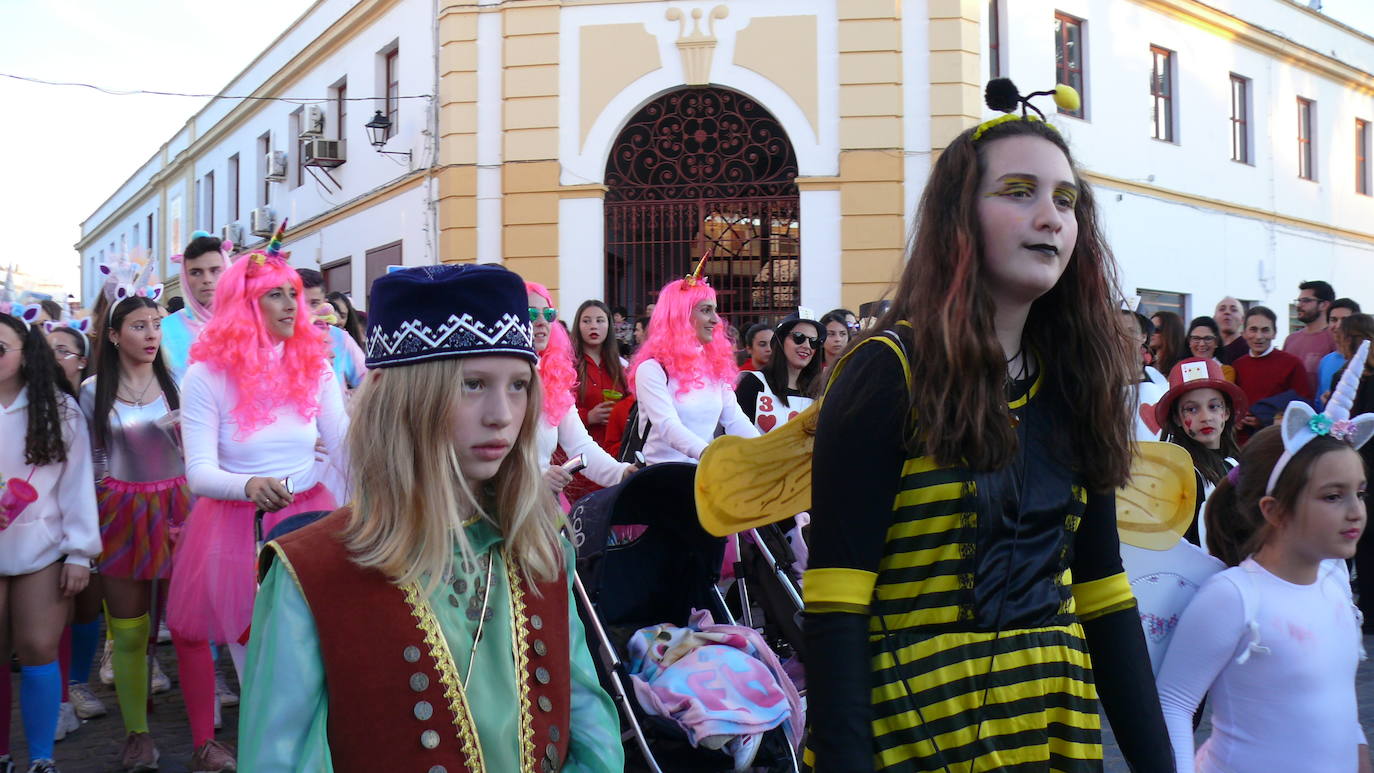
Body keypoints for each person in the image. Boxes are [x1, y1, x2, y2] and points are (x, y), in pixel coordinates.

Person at [802, 79, 1170, 771]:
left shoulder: (1075, 382)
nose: (1052, 216)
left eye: (1066, 200)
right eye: (1018, 191)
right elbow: (834, 602)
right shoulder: (886, 372)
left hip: (1053, 733)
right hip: (910, 737)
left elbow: (1104, 593)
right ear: (958, 218)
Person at [239, 263, 623, 771]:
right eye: (472, 384)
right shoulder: (309, 575)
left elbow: (588, 720)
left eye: (518, 385)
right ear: (407, 398)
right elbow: (282, 759)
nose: (502, 414)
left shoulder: (540, 541)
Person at [165, 226, 347, 772]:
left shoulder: (314, 364)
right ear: (245, 303)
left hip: (309, 520)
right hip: (235, 532)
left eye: (294, 292)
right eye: (277, 293)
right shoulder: (205, 375)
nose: (293, 304)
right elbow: (198, 472)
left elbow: (344, 445)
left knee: (321, 664)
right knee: (262, 674)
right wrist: (247, 486)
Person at [1158, 377, 1372, 772]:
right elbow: (1174, 701)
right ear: (1274, 509)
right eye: (1332, 496)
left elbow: (1335, 693)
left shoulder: (1334, 584)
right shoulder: (1234, 596)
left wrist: (1358, 747)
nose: (1356, 511)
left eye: (1359, 492)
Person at [79, 295, 193, 771]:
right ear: (113, 335)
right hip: (120, 512)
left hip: (179, 510)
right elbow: (89, 458)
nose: (150, 334)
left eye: (156, 325)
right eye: (139, 326)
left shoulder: (178, 385)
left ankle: (204, 734)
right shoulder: (91, 390)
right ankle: (137, 734)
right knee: (128, 632)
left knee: (187, 627)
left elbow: (199, 449)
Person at [0, 310, 100, 773]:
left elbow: (77, 485)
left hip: (42, 547)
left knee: (39, 644)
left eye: (0, 349)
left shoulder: (59, 410)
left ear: (24, 354)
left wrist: (81, 552)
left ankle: (41, 757)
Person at [629, 266, 759, 465]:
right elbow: (667, 425)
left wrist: (765, 451)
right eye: (706, 310)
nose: (716, 320)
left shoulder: (714, 367)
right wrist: (709, 454)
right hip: (661, 478)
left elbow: (735, 421)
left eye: (715, 310)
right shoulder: (651, 369)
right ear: (681, 315)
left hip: (703, 475)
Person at [526, 282, 633, 499]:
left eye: (548, 314)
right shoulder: (494, 382)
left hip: (540, 509)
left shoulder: (552, 377)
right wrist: (533, 480)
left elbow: (579, 444)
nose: (541, 323)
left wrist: (623, 472)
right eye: (530, 314)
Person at [1154, 358, 1246, 547]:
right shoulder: (1180, 476)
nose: (1205, 417)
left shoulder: (1236, 464)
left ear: (1227, 412)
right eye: (1192, 409)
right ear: (1177, 418)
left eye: (1213, 406)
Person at [1233, 306, 1310, 442]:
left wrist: (1265, 419)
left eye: (1265, 330)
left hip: (1277, 440)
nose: (1259, 336)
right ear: (1244, 333)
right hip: (1242, 442)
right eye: (1253, 329)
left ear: (1274, 333)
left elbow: (1303, 406)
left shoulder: (1292, 364)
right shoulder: (1238, 365)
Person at [161, 232, 229, 383]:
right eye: (196, 272)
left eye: (215, 270)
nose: (207, 280)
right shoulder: (166, 329)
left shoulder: (247, 324)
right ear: (185, 277)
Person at [735, 316, 822, 432]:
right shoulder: (753, 383)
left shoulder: (820, 391)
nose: (807, 346)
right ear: (780, 341)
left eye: (813, 341)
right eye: (798, 337)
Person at [571, 300, 628, 453]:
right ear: (578, 325)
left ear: (609, 325)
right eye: (586, 321)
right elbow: (557, 413)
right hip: (579, 454)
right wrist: (588, 417)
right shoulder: (567, 366)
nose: (593, 326)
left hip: (614, 455)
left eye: (600, 320)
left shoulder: (622, 368)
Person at [298, 269, 366, 394]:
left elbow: (367, 381)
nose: (306, 311)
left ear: (325, 304)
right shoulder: (278, 339)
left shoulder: (339, 338)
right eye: (300, 302)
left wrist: (351, 400)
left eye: (314, 303)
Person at [1283, 280, 1337, 395]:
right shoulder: (1291, 339)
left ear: (1324, 305)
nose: (1299, 305)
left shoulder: (1335, 339)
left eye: (1306, 301)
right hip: (1290, 409)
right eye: (1299, 301)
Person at [1317, 298, 1362, 409]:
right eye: (1333, 320)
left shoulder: (1367, 360)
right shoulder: (1325, 361)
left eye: (1345, 320)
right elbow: (1318, 402)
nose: (1338, 325)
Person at [44, 323, 89, 395]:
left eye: (61, 351)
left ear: (82, 362)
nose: (50, 355)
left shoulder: (93, 398)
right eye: (46, 349)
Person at [1150, 310, 1188, 377]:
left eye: (1156, 329)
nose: (1151, 333)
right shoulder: (1145, 362)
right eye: (1149, 329)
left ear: (1171, 332)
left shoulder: (1183, 367)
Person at [1213, 296, 1248, 365]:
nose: (1227, 312)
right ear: (1214, 318)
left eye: (1234, 310)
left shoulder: (1249, 350)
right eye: (1222, 309)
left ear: (1242, 319)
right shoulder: (1210, 349)